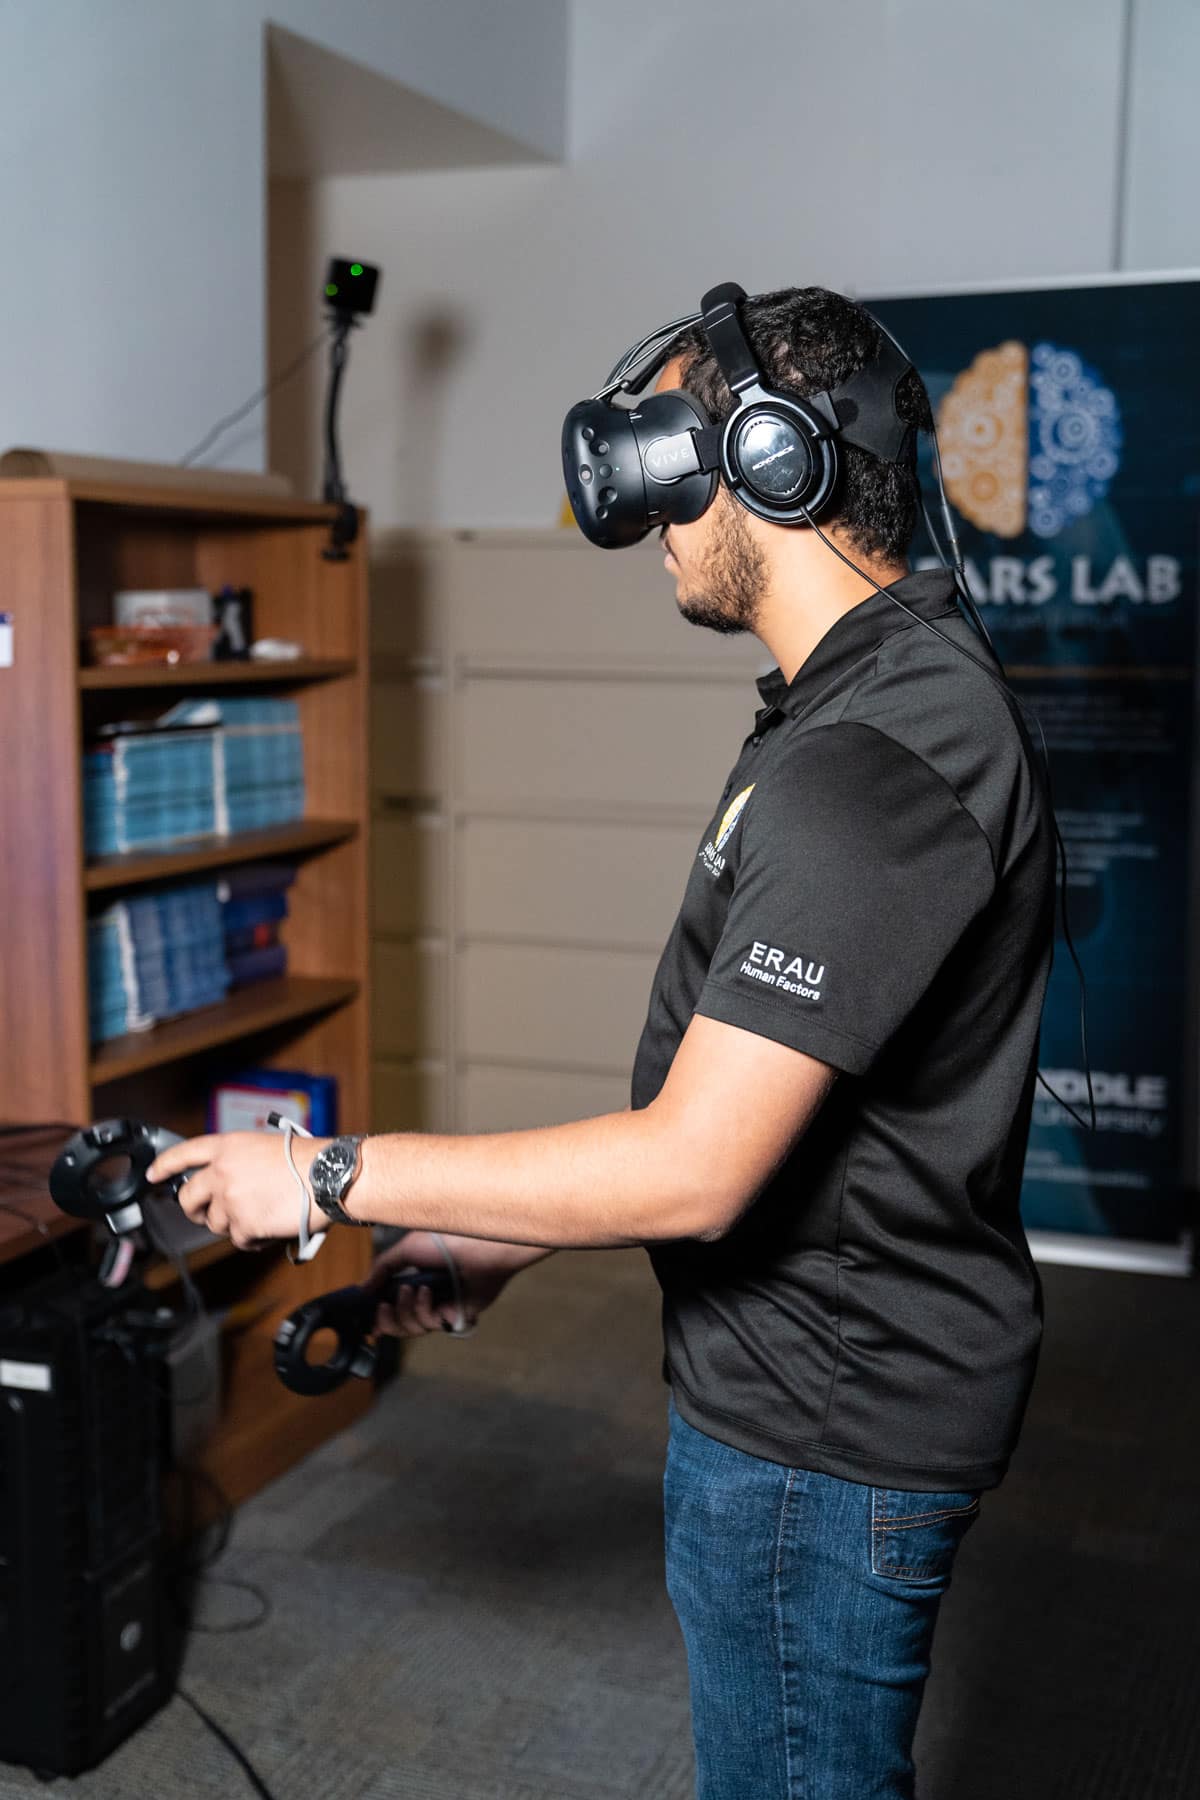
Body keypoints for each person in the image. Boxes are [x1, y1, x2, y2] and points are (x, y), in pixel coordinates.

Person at [150, 286, 1054, 1800]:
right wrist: (495, 1237)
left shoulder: (867, 766)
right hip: (828, 1390)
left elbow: (696, 1168)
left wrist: (319, 1176)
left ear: (772, 462)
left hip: (819, 1441)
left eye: (675, 458)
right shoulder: (878, 701)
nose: (653, 517)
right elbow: (758, 1111)